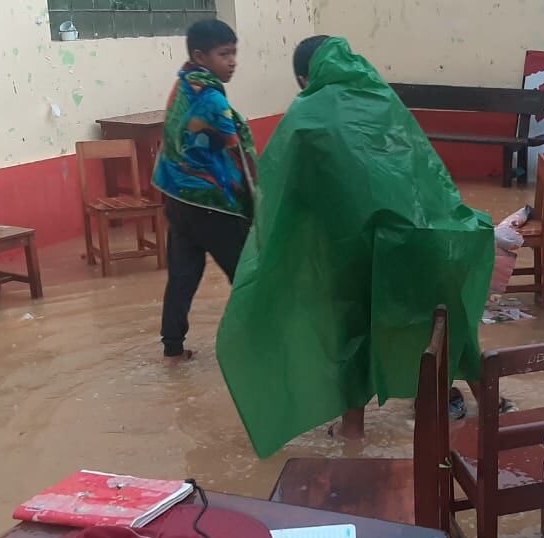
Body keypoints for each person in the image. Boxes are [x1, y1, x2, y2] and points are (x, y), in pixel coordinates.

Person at [216, 36, 495, 457]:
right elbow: (427, 174)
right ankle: (496, 409)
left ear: (303, 77)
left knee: (353, 334)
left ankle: (353, 438)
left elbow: (280, 196)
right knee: (448, 322)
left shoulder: (305, 115)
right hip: (419, 239)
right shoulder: (382, 100)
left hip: (352, 252)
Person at [152, 19, 257, 363]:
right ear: (200, 56)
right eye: (224, 54)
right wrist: (256, 201)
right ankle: (258, 343)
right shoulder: (211, 99)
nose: (232, 61)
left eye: (234, 53)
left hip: (178, 199)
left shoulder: (180, 87)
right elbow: (237, 155)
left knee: (182, 276)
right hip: (213, 204)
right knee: (247, 275)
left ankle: (172, 347)